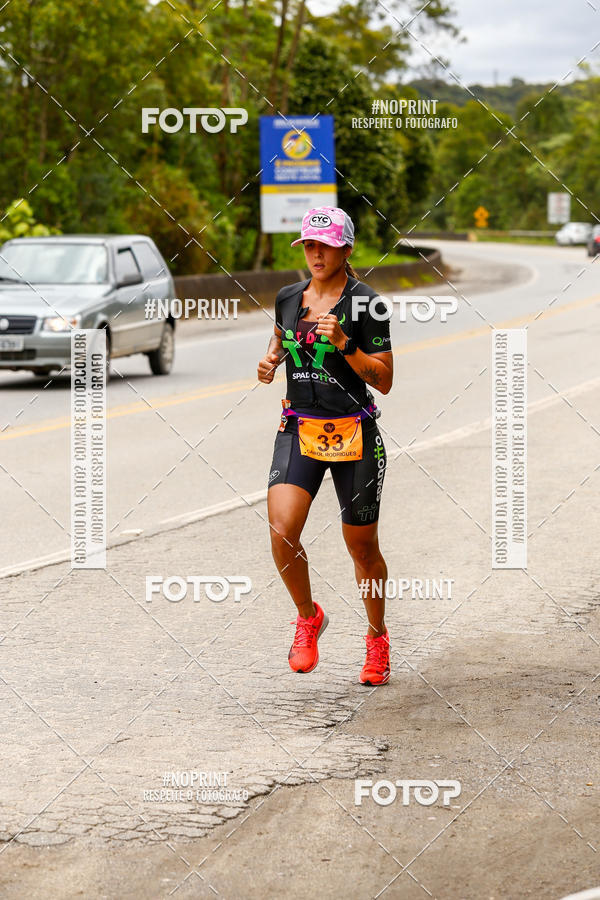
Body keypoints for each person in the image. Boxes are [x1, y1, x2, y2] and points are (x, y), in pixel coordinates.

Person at [257, 206, 394, 685]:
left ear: (346, 249)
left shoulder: (366, 304)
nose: (316, 254)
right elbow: (279, 335)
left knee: (361, 548)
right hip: (299, 427)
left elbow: (385, 380)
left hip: (354, 433)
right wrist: (272, 359)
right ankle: (307, 616)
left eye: (326, 245)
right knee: (281, 529)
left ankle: (377, 637)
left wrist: (346, 347)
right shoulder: (288, 297)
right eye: (309, 246)